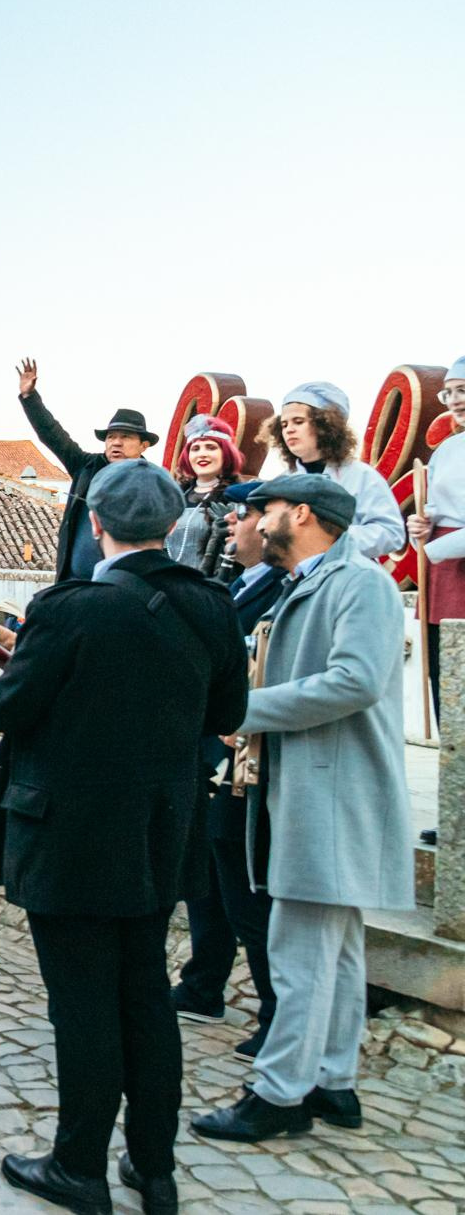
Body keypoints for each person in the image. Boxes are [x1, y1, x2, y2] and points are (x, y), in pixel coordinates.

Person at [0, 460, 247, 1214]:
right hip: (158, 828)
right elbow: (227, 710)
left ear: (97, 524)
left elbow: (7, 705)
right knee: (143, 993)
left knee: (81, 1004)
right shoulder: (211, 603)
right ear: (172, 525)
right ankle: (155, 1165)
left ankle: (79, 1165)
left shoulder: (68, 606)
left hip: (72, 834)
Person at [193, 475, 414, 1144]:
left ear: (304, 514)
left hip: (335, 792)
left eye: (268, 509)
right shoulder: (311, 581)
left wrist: (245, 710)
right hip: (315, 787)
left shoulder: (362, 583)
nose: (255, 520)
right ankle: (332, 1081)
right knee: (338, 948)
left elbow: (355, 680)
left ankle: (279, 1091)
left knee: (298, 948)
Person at [171, 481, 282, 1059]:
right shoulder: (239, 582)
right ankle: (203, 982)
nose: (231, 526)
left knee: (245, 889)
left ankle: (274, 1013)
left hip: (245, 750)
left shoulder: (281, 589)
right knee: (209, 880)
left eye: (243, 516)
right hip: (213, 749)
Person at [16, 357, 159, 582]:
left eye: (126, 437)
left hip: (124, 584)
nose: (116, 442)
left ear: (144, 445)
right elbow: (51, 434)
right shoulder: (86, 467)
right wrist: (29, 397)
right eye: (111, 437)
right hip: (73, 580)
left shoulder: (152, 480)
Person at [259, 381, 406, 559]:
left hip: (348, 576)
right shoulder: (281, 482)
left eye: (298, 422)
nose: (289, 430)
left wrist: (328, 540)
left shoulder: (361, 476)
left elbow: (391, 533)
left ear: (325, 426)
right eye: (284, 425)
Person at [407, 356, 465, 711]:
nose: (455, 400)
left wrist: (434, 548)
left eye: (463, 391)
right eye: (449, 393)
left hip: (449, 560)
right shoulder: (446, 449)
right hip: (443, 571)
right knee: (444, 681)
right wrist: (421, 526)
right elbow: (435, 508)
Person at [165, 416, 246, 576]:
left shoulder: (238, 497)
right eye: (195, 449)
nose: (202, 454)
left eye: (210, 447)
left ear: (226, 453)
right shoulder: (174, 497)